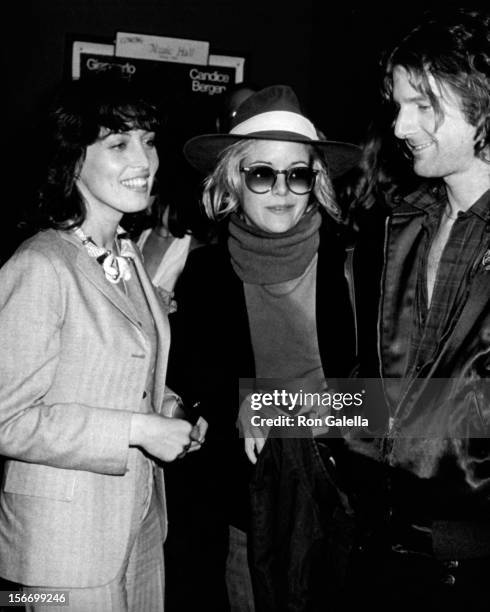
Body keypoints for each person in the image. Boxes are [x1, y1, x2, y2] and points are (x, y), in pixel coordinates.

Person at [0, 74, 205, 611]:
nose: (144, 160)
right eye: (118, 144)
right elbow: (7, 419)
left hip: (137, 525)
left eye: (149, 140)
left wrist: (167, 408)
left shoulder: (127, 253)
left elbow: (115, 374)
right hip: (62, 547)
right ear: (72, 162)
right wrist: (138, 430)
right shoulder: (39, 265)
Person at [165, 85, 360, 611]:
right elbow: (197, 391)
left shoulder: (357, 268)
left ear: (315, 181)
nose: (282, 189)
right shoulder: (203, 277)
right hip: (247, 515)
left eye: (298, 173)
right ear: (233, 179)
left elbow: (394, 406)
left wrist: (275, 406)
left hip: (346, 509)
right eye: (261, 173)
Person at [341, 8, 490, 611]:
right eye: (398, 103)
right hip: (383, 556)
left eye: (423, 104)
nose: (400, 125)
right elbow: (390, 397)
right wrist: (269, 408)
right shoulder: (395, 227)